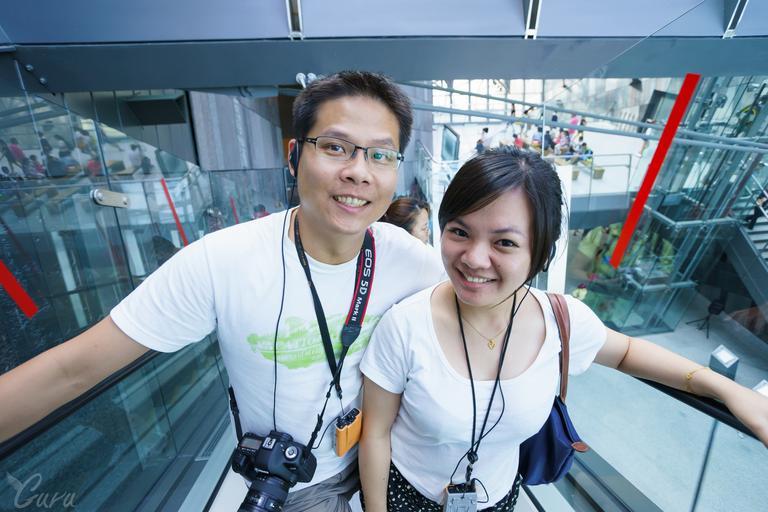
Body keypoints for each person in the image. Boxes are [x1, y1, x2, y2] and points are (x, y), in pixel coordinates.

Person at [0, 71, 445, 511]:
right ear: (294, 157)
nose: (358, 172)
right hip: (294, 482)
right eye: (334, 147)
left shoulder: (412, 260)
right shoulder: (221, 261)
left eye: (380, 155)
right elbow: (71, 369)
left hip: (387, 453)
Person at [358, 148, 768, 512]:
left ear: (541, 253)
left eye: (504, 243)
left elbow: (627, 353)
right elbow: (375, 435)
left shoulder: (559, 319)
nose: (474, 259)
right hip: (408, 496)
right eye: (460, 232)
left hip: (498, 496)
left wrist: (728, 390)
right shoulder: (405, 325)